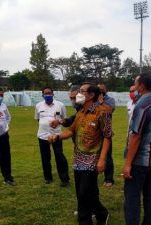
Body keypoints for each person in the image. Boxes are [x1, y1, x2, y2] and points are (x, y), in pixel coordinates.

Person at [48, 83, 111, 225]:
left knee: (84, 192)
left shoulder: (102, 112)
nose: (78, 95)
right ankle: (97, 215)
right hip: (78, 159)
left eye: (81, 92)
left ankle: (92, 217)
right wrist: (57, 137)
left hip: (93, 159)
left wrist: (102, 160)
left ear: (91, 95)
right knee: (83, 192)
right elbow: (71, 131)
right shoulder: (80, 112)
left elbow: (107, 137)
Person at [123, 74, 151, 225]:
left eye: (135, 84)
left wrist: (128, 164)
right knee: (150, 198)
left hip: (139, 162)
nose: (133, 88)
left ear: (141, 86)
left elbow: (136, 136)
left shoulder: (141, 105)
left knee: (132, 198)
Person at [35, 86, 70, 187]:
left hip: (56, 136)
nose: (48, 95)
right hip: (42, 136)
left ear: (53, 94)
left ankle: (64, 179)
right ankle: (48, 177)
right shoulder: (38, 106)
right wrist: (45, 125)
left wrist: (57, 124)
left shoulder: (60, 105)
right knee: (45, 158)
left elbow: (64, 120)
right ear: (42, 95)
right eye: (45, 93)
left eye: (49, 93)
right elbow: (38, 119)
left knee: (59, 157)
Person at [98, 82, 115, 187]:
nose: (100, 91)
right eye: (98, 89)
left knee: (107, 156)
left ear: (106, 90)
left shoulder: (110, 100)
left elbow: (109, 111)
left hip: (106, 132)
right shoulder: (93, 99)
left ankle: (109, 179)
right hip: (94, 132)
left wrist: (101, 102)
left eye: (102, 90)